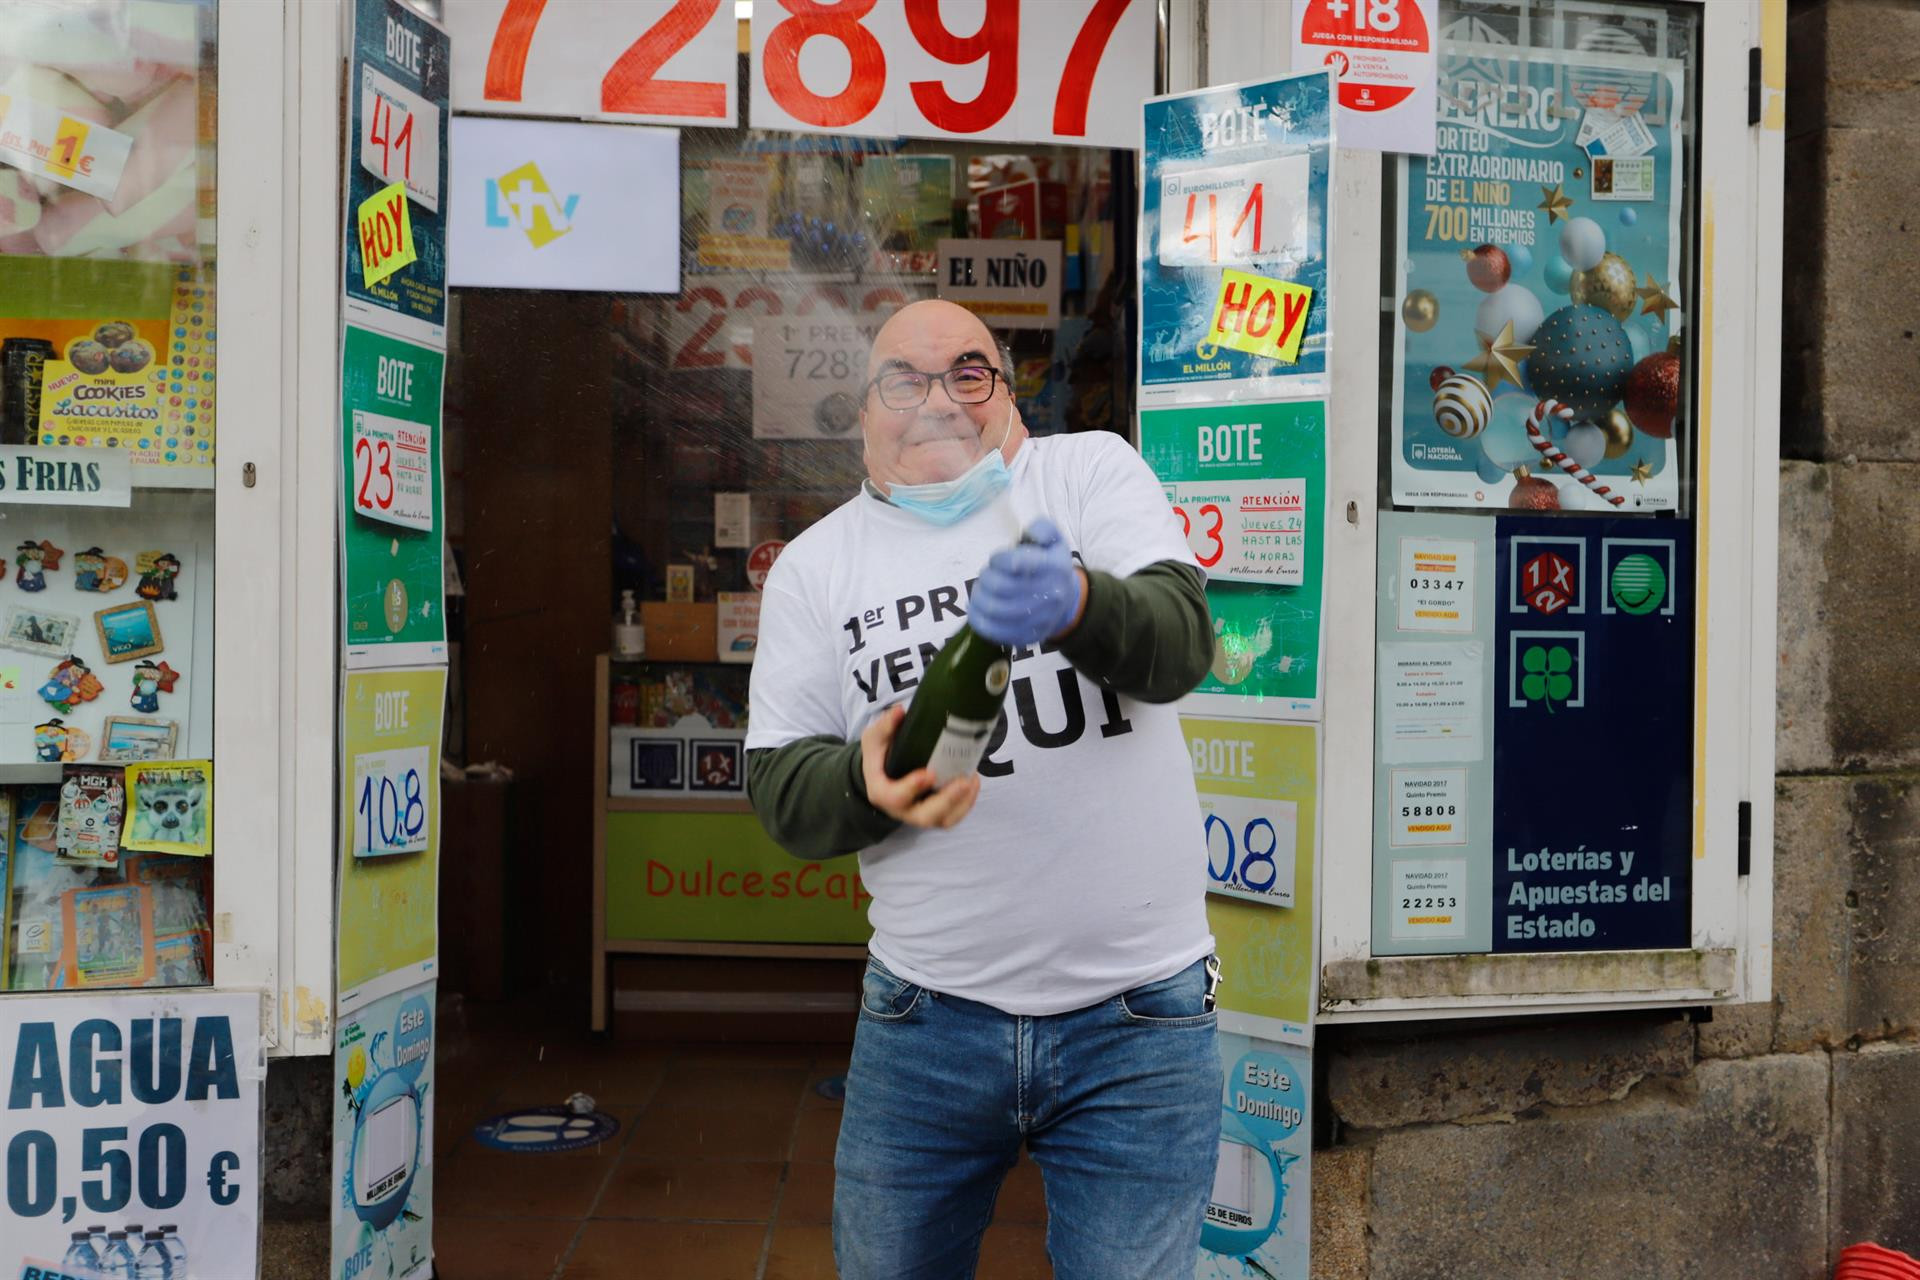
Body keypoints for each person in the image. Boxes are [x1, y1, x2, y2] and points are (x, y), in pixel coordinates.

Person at [747, 299, 1223, 1279]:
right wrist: (863, 780)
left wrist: (1079, 601)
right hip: (924, 1025)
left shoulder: (1087, 474)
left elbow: (1181, 645)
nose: (938, 399)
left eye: (968, 371)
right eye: (903, 379)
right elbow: (780, 787)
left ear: (1009, 395)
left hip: (1139, 1022)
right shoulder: (813, 567)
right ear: (864, 412)